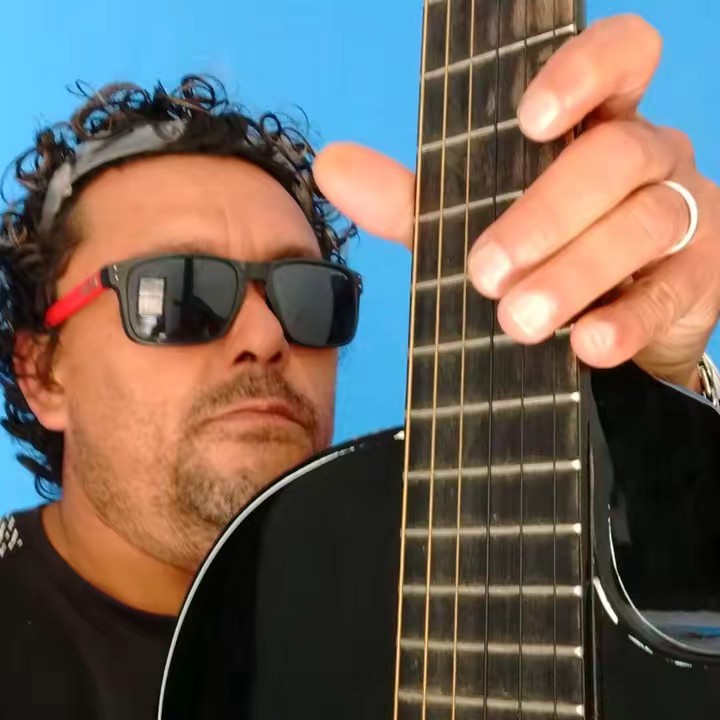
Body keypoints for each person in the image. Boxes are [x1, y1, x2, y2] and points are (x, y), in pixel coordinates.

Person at [0, 13, 719, 719]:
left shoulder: (463, 565)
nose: (266, 334)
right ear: (43, 372)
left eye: (307, 295)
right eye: (180, 293)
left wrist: (643, 401)